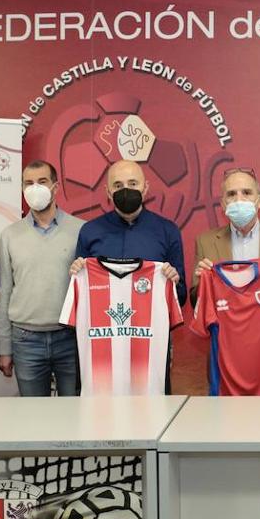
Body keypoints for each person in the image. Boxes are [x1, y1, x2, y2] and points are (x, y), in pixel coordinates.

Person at [71, 160, 185, 392]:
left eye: (133, 183)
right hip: (102, 344)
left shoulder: (167, 230)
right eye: (118, 184)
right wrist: (76, 273)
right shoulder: (90, 231)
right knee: (101, 412)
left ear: (145, 187)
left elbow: (180, 298)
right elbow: (78, 296)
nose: (126, 190)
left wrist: (173, 282)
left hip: (150, 345)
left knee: (153, 407)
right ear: (107, 192)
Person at [0, 160, 84, 396]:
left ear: (55, 187)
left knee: (76, 413)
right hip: (26, 340)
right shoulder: (9, 235)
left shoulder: (81, 231)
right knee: (33, 416)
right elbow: (5, 292)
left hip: (71, 337)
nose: (35, 188)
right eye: (29, 183)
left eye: (42, 182)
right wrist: (5, 348)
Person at [193, 167, 260, 293]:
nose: (239, 200)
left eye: (246, 192)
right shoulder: (205, 242)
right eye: (231, 194)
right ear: (223, 204)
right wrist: (202, 283)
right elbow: (195, 298)